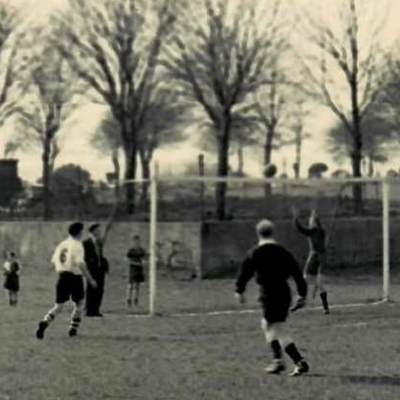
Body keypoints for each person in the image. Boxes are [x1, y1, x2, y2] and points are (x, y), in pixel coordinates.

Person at [235, 219, 309, 377]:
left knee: (277, 328)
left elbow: (244, 273)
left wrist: (239, 291)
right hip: (284, 292)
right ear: (272, 232)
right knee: (268, 324)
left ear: (258, 233)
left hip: (268, 294)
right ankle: (278, 361)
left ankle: (299, 361)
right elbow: (297, 273)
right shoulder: (283, 251)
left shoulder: (255, 252)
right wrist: (302, 294)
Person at [35, 222, 97, 339]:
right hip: (74, 278)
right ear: (79, 232)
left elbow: (54, 261)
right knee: (79, 304)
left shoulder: (62, 244)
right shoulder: (77, 245)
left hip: (62, 277)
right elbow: (81, 264)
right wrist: (90, 279)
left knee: (58, 305)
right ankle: (73, 329)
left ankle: (45, 322)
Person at [293, 208, 329, 314]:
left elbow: (320, 228)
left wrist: (315, 216)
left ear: (315, 222)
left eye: (311, 221)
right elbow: (300, 229)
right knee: (305, 278)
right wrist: (295, 219)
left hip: (321, 257)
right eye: (309, 221)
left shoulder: (321, 231)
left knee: (320, 282)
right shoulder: (311, 232)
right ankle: (301, 301)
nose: (310, 222)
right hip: (313, 256)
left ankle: (325, 308)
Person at [84, 223, 109, 317]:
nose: (99, 232)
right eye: (97, 230)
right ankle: (89, 310)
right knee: (91, 289)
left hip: (100, 269)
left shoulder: (98, 242)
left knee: (100, 289)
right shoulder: (86, 242)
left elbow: (100, 254)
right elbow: (85, 256)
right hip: (91, 269)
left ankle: (96, 309)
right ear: (93, 231)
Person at [126, 235, 146, 307]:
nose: (137, 243)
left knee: (137, 285)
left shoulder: (142, 250)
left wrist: (144, 262)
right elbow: (128, 261)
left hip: (139, 270)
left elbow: (144, 259)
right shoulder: (131, 251)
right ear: (133, 242)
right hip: (133, 270)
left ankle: (136, 300)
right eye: (136, 241)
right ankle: (128, 299)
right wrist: (137, 263)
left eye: (138, 241)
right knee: (130, 285)